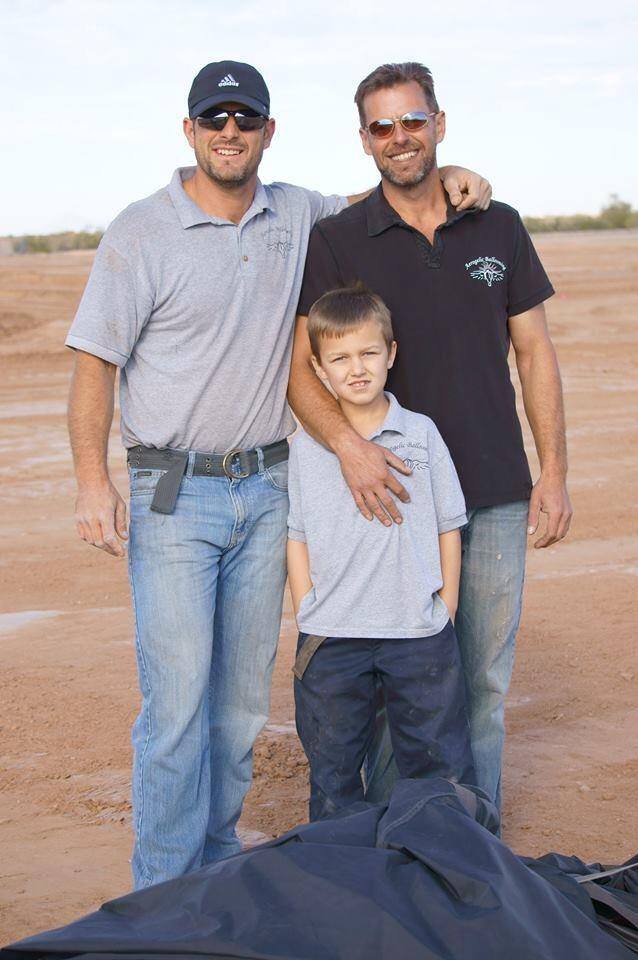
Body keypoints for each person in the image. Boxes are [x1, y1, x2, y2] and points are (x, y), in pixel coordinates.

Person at [66, 57, 492, 888]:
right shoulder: (139, 230)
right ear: (189, 131)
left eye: (246, 119)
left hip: (268, 488)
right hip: (171, 492)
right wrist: (92, 479)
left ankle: (218, 856)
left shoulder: (297, 212)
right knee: (178, 705)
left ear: (268, 131)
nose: (231, 132)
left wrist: (460, 174)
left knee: (238, 708)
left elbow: (387, 196)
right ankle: (162, 887)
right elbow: (94, 362)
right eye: (215, 120)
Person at [288, 61, 573, 810]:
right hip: (395, 500)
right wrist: (351, 452)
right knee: (396, 687)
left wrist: (553, 472)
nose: (399, 137)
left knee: (479, 678)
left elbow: (535, 351)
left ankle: (466, 845)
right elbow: (301, 367)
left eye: (412, 120)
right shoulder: (340, 238)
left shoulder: (498, 224)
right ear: (364, 141)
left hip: (497, 490)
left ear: (439, 123)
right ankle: (393, 850)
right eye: (382, 127)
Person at [287, 286, 475, 819]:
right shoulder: (306, 449)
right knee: (334, 775)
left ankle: (441, 873)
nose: (357, 369)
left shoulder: (421, 434)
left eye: (369, 353)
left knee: (439, 767)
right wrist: (307, 608)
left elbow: (448, 524)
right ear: (319, 372)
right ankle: (344, 881)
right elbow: (296, 533)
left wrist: (446, 605)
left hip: (416, 632)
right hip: (333, 636)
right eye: (340, 359)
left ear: (391, 354)